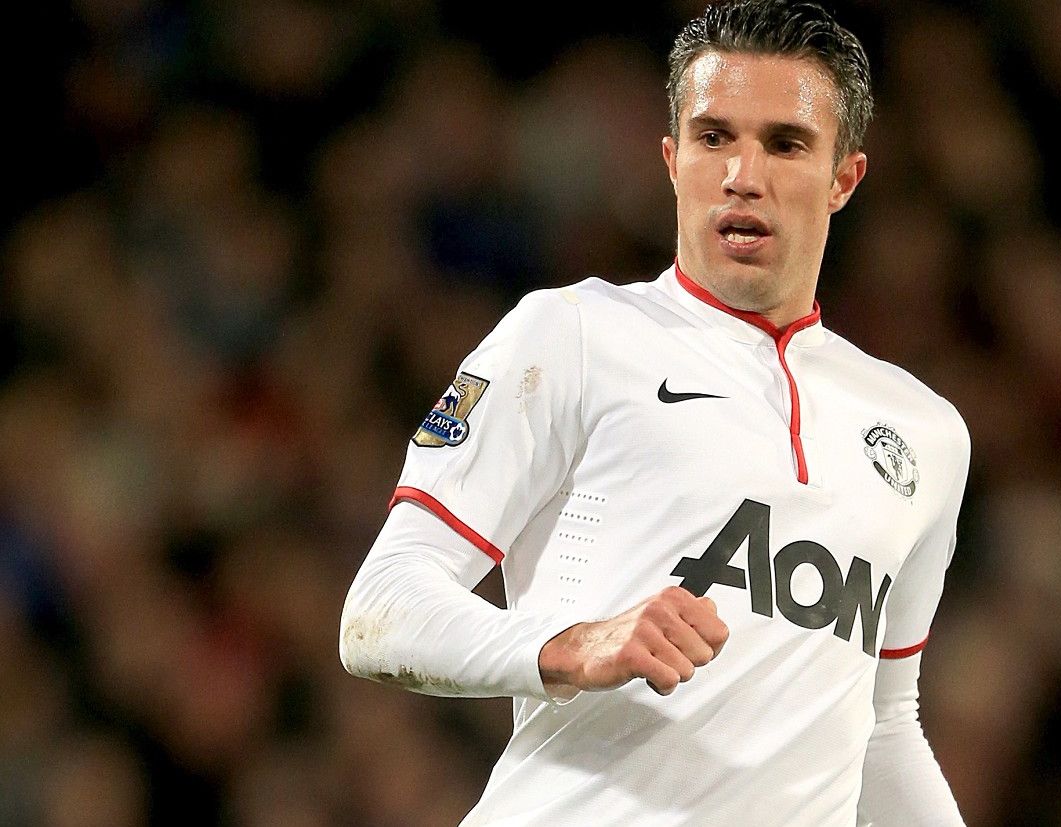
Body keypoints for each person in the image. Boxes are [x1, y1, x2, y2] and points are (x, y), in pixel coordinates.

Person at [339, 1, 970, 824]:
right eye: (715, 137)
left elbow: (883, 726)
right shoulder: (574, 334)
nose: (744, 173)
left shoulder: (924, 433)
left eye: (785, 143)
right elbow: (378, 611)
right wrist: (569, 644)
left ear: (845, 177)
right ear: (673, 159)